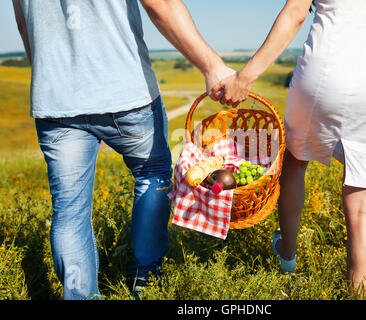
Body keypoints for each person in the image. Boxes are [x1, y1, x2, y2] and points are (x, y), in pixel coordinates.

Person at [13, 0, 235, 299]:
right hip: (125, 91)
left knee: (69, 211)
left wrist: (52, 76)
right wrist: (211, 65)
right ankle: (145, 275)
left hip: (56, 98)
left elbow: (25, 24)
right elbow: (161, 4)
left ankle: (80, 296)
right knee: (153, 175)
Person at [211, 0, 366, 293]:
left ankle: (287, 254)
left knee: (295, 163)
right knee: (361, 205)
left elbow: (295, 14)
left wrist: (245, 77)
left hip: (320, 74)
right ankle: (362, 290)